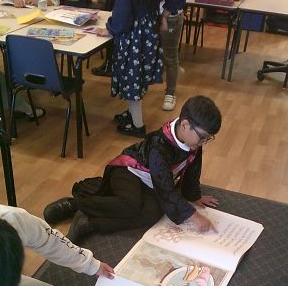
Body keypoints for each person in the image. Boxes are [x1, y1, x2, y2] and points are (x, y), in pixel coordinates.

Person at [43, 95, 222, 244]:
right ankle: (75, 204)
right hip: (128, 171)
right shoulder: (159, 145)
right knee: (130, 204)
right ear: (185, 125)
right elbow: (165, 188)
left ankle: (89, 223)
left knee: (153, 213)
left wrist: (193, 195)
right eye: (203, 137)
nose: (203, 143)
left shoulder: (193, 143)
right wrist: (193, 216)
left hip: (150, 182)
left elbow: (192, 171)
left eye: (208, 139)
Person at [97, 0, 165, 138]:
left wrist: (110, 28)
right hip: (149, 32)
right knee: (139, 78)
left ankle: (137, 125)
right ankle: (133, 113)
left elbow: (122, 19)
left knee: (132, 80)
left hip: (134, 36)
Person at [159, 0, 186, 111]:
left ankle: (170, 93)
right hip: (153, 14)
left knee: (170, 56)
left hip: (170, 16)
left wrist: (164, 16)